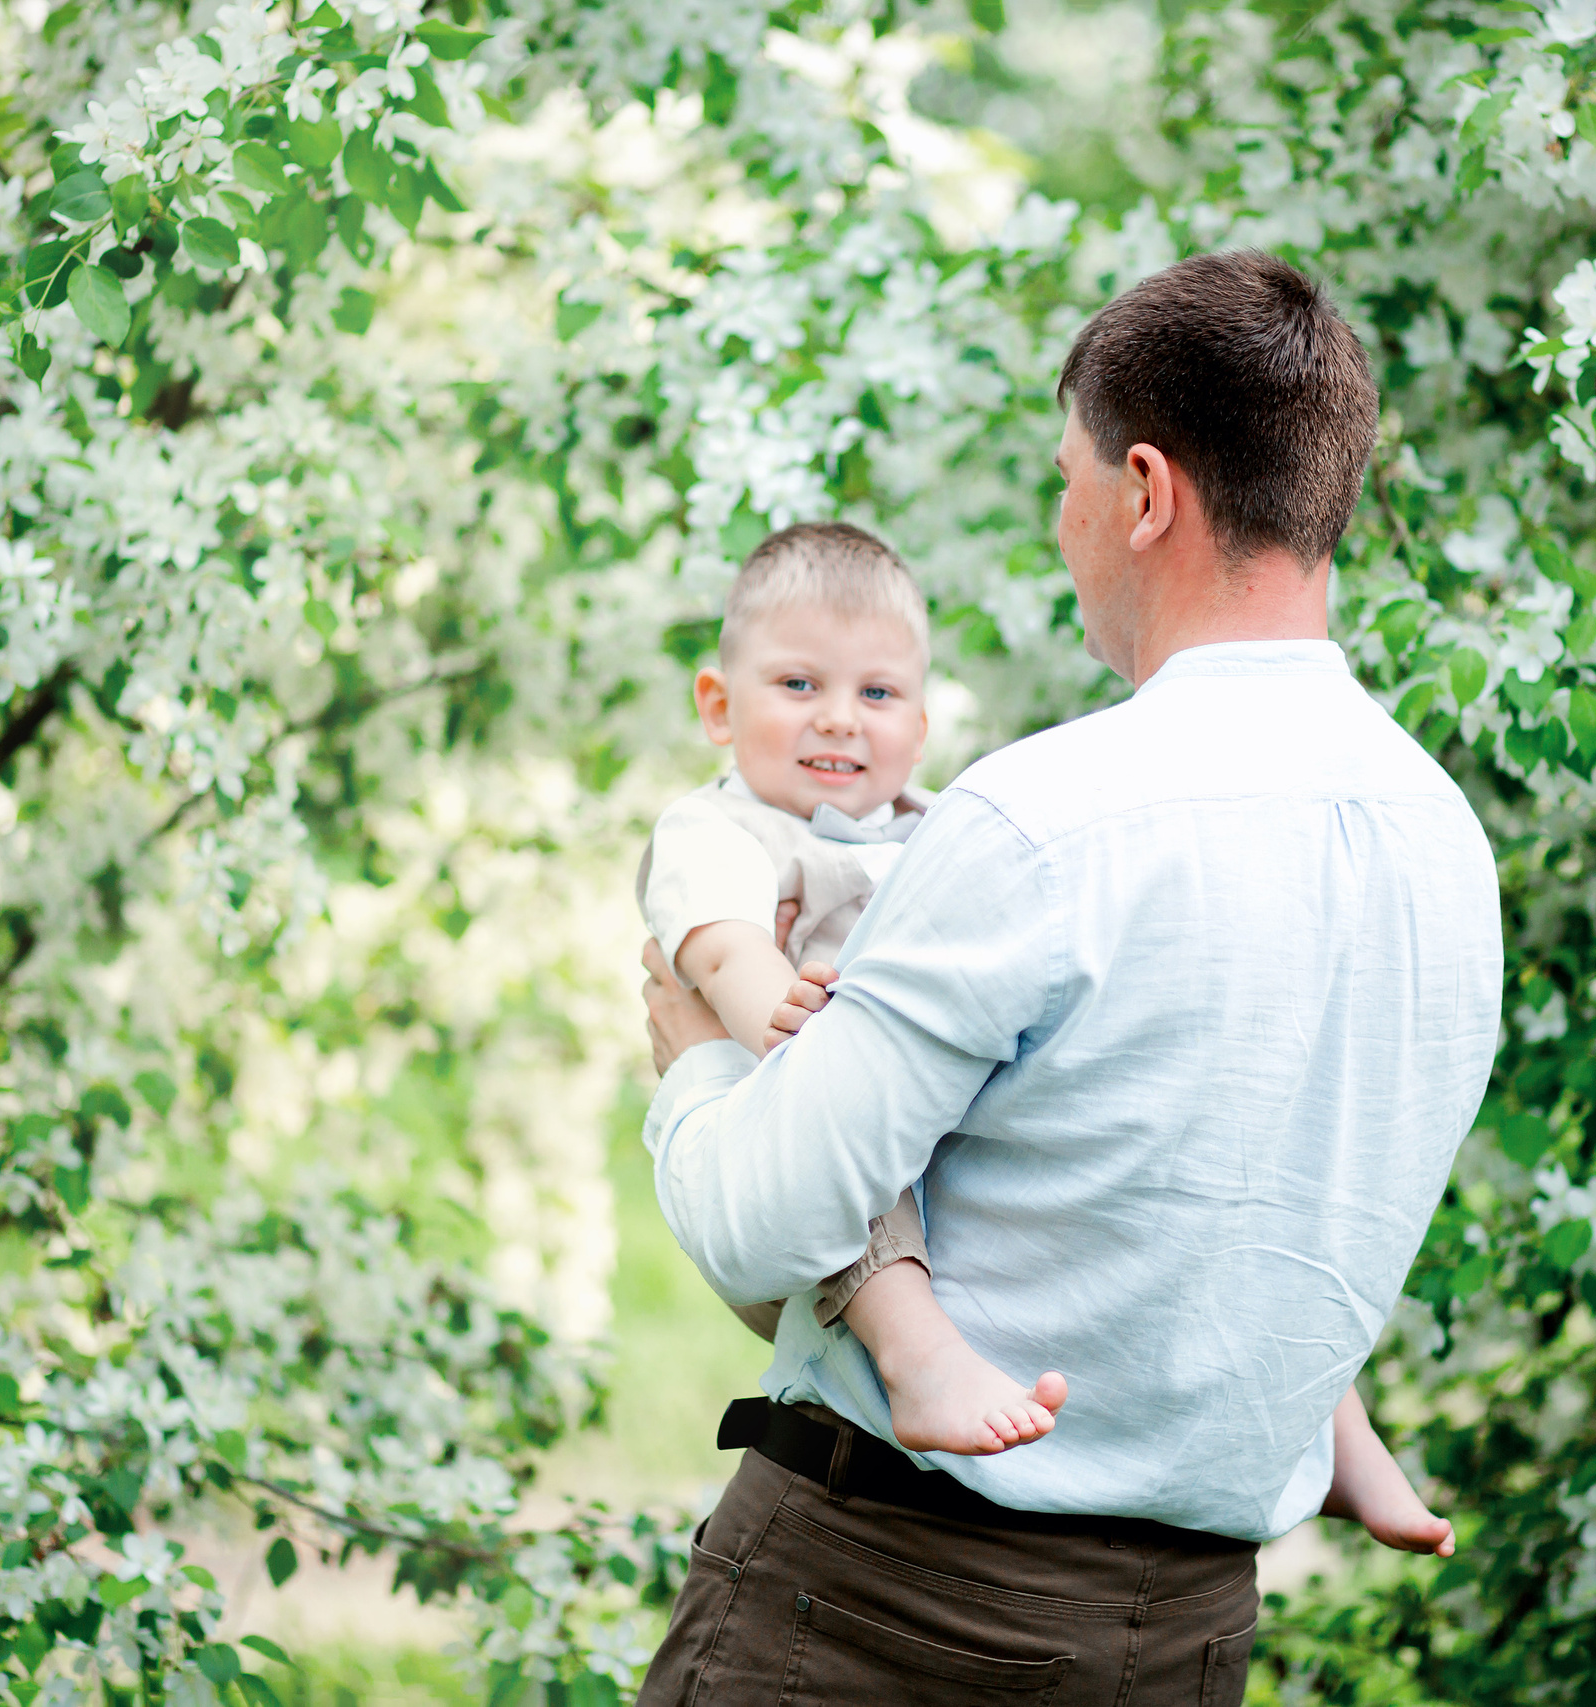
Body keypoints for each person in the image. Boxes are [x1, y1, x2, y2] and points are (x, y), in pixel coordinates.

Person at [636, 250, 1502, 1705]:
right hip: (1186, 1636)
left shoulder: (1045, 821)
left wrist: (696, 1061)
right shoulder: (1447, 850)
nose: (1064, 523)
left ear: (1147, 492)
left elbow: (767, 1218)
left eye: (1068, 479)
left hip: (879, 1608)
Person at [635, 518, 1069, 1454]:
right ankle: (915, 1356)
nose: (838, 716)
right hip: (799, 1132)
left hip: (943, 1127)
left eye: (875, 692)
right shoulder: (721, 828)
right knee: (848, 1129)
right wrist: (779, 1019)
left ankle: (1329, 1422)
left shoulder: (943, 826)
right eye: (798, 684)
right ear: (718, 707)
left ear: (917, 727)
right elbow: (721, 947)